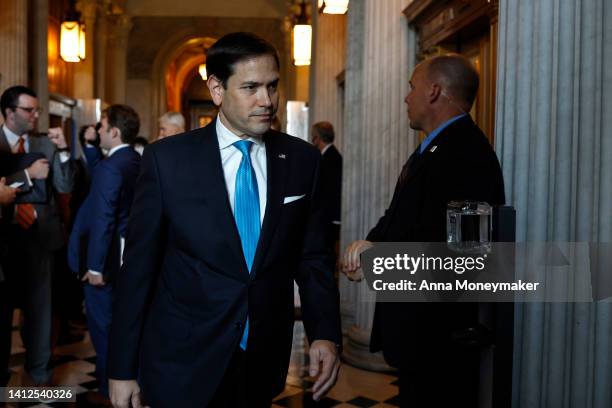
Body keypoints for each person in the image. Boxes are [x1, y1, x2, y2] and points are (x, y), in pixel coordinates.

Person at [108, 32, 342, 408]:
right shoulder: (167, 161)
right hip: (183, 358)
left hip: (263, 358)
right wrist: (121, 369)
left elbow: (312, 257)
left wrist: (326, 333)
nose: (266, 101)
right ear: (217, 89)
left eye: (272, 86)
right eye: (250, 87)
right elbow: (138, 270)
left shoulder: (302, 161)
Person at [342, 54, 506, 407]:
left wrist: (380, 261)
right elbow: (400, 216)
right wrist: (370, 243)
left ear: (434, 91)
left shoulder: (467, 153)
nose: (406, 97)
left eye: (411, 87)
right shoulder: (434, 147)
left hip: (439, 336)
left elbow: (466, 254)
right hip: (417, 332)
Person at [0, 85, 75, 387]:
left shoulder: (45, 144)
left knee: (40, 310)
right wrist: (29, 175)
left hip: (39, 239)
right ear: (8, 112)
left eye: (36, 110)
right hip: (4, 238)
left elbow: (65, 184)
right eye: (28, 110)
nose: (35, 116)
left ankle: (40, 375)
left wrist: (66, 150)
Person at [67, 105, 141, 406]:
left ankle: (112, 389)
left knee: (104, 326)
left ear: (114, 131)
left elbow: (103, 219)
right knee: (120, 322)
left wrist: (95, 267)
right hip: (128, 257)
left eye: (102, 127)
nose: (97, 131)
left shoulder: (113, 167)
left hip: (107, 261)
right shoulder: (134, 159)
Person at [310, 121, 342, 245]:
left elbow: (331, 191)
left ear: (317, 138)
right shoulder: (328, 156)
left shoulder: (330, 159)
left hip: (329, 219)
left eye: (313, 136)